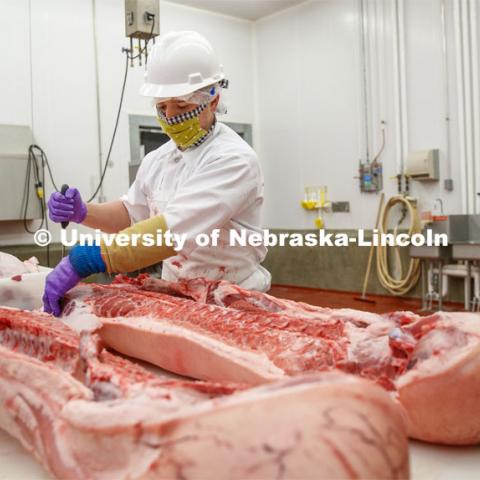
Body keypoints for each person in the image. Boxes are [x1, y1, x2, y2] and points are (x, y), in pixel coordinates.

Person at [43, 30, 271, 316]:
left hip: (232, 298)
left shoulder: (234, 159)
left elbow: (170, 232)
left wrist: (88, 258)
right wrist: (83, 212)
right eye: (162, 107)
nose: (171, 116)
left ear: (212, 100)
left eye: (182, 105)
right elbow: (131, 214)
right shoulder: (158, 159)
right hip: (176, 294)